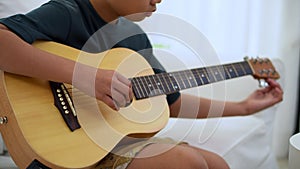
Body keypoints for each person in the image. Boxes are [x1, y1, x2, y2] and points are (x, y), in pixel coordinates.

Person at [0, 0, 283, 169]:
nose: (158, 0)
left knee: (217, 164)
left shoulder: (134, 39)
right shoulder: (68, 11)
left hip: (114, 143)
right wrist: (85, 76)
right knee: (189, 163)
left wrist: (245, 107)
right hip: (64, 149)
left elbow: (171, 102)